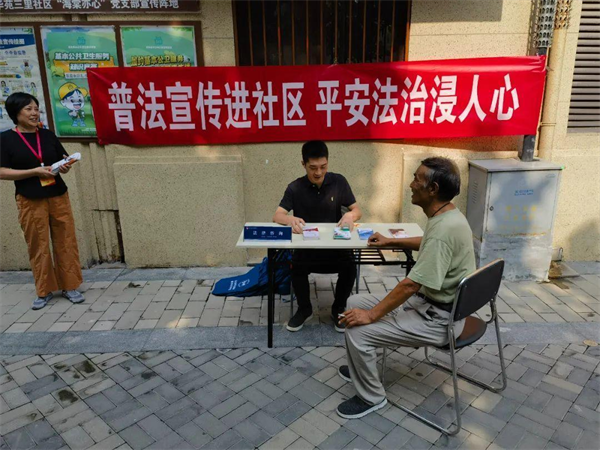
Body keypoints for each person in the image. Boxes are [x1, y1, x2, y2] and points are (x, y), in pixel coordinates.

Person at [335, 157, 476, 419]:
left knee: (358, 331)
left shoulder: (443, 230)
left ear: (432, 189)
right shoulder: (448, 215)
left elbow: (411, 284)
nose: (411, 184)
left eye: (416, 179)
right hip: (434, 305)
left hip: (439, 320)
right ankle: (361, 368)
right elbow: (428, 241)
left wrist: (372, 315)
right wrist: (391, 241)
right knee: (354, 303)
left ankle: (372, 397)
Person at [0, 92, 84, 310]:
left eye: (36, 108)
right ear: (15, 113)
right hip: (30, 198)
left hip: (58, 195)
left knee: (66, 240)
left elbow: (61, 160)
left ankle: (70, 286)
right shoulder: (5, 139)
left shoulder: (47, 135)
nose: (34, 113)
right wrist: (34, 172)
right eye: (28, 109)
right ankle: (44, 290)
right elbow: (2, 172)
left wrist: (65, 165)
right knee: (38, 244)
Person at [273, 140, 362, 333]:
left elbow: (357, 211)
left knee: (350, 266)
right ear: (303, 164)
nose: (318, 173)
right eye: (313, 168)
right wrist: (290, 219)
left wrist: (349, 215)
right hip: (307, 250)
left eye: (323, 167)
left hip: (336, 249)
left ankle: (338, 308)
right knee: (296, 266)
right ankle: (304, 309)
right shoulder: (295, 188)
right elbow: (277, 215)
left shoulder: (339, 182)